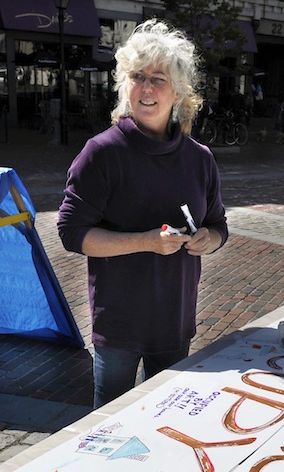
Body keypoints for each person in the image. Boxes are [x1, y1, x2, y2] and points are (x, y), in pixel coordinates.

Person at [57, 19, 228, 409]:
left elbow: (218, 224)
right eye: (138, 76)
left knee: (164, 422)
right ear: (124, 84)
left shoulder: (199, 159)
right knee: (108, 429)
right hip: (118, 325)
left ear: (179, 91)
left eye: (159, 78)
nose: (147, 88)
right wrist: (145, 242)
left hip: (175, 321)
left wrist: (210, 239)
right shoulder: (102, 153)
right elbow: (71, 231)